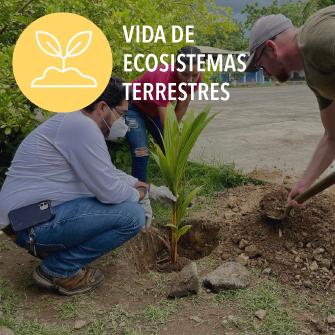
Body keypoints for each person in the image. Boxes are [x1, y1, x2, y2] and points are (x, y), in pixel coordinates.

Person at [0, 76, 175, 296]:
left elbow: (106, 173)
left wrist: (143, 186)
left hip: (26, 220)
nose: (122, 122)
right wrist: (139, 195)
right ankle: (59, 269)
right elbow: (109, 192)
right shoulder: (82, 127)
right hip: (30, 224)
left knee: (126, 205)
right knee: (132, 216)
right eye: (121, 113)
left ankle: (54, 255)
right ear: (102, 107)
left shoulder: (75, 122)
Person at [245, 6, 335, 207]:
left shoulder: (316, 38)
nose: (265, 73)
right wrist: (304, 184)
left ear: (270, 48)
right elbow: (332, 137)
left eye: (260, 65)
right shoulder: (315, 79)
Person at [126, 46, 202, 182]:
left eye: (194, 75)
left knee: (174, 150)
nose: (190, 80)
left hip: (154, 110)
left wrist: (173, 140)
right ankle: (140, 196)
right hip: (135, 107)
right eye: (185, 74)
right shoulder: (162, 76)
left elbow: (182, 104)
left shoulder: (195, 75)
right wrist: (171, 135)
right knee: (141, 152)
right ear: (176, 67)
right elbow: (167, 125)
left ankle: (175, 192)